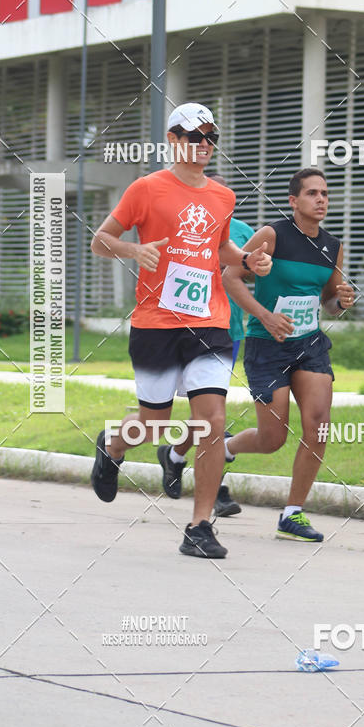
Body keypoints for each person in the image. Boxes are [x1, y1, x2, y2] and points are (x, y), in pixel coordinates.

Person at [89, 102, 272, 559]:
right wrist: (134, 251)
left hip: (209, 321)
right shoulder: (146, 189)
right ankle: (112, 448)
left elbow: (221, 248)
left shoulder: (223, 196)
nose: (203, 145)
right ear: (172, 140)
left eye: (210, 137)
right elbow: (100, 240)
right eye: (194, 136)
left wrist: (247, 261)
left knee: (212, 422)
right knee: (154, 423)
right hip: (155, 323)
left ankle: (199, 527)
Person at [220, 168, 355, 542]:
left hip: (309, 344)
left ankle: (292, 514)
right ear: (294, 201)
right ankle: (226, 449)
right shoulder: (272, 235)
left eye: (325, 193)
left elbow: (329, 301)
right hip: (267, 344)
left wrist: (341, 302)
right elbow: (230, 277)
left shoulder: (332, 245)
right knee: (272, 438)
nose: (321, 199)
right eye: (312, 193)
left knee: (319, 424)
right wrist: (263, 315)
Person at [157, 172, 254, 518]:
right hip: (186, 330)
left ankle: (176, 457)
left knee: (211, 415)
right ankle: (211, 486)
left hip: (229, 332)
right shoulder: (180, 226)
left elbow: (253, 273)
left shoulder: (243, 233)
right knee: (209, 416)